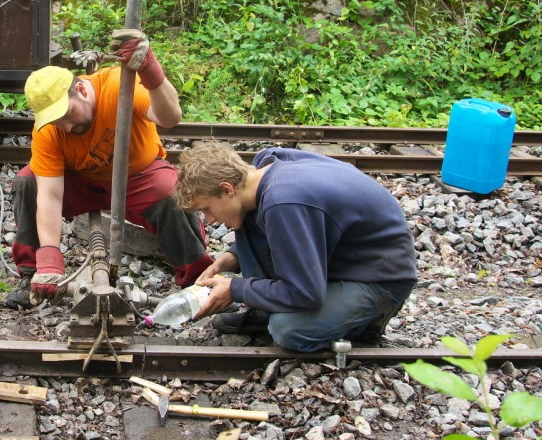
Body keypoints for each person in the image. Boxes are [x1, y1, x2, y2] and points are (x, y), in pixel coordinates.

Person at [8, 30, 214, 308]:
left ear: (81, 89)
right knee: (27, 182)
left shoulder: (120, 85)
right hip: (81, 182)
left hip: (138, 177)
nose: (66, 127)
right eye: (57, 122)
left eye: (67, 115)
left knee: (172, 191)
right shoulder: (49, 131)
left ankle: (199, 282)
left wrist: (151, 72)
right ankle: (36, 276)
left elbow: (170, 117)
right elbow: (49, 195)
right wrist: (50, 259)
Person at [173, 141, 417, 352]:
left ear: (227, 189)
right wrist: (233, 256)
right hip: (339, 257)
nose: (211, 220)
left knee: (287, 329)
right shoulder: (265, 168)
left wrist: (235, 289)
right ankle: (271, 307)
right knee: (246, 217)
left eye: (207, 209)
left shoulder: (283, 200)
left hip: (379, 280)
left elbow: (305, 294)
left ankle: (363, 323)